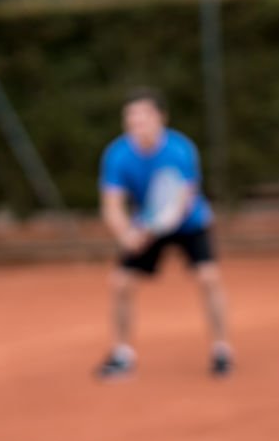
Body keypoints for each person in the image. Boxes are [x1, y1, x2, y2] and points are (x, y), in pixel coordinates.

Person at [95, 88, 233, 379]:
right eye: (131, 117)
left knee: (209, 277)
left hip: (190, 223)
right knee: (120, 283)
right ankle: (121, 355)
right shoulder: (117, 154)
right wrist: (126, 234)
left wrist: (155, 226)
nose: (137, 122)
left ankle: (221, 349)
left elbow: (183, 200)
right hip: (146, 223)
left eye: (144, 115)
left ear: (161, 118)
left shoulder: (180, 149)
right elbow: (112, 205)